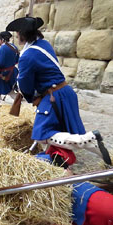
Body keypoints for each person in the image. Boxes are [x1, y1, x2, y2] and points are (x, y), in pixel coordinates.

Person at [6, 16, 112, 167]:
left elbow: (25, 84)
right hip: (63, 92)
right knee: (57, 130)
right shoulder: (43, 44)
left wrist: (28, 95)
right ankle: (59, 161)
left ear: (23, 34)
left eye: (18, 32)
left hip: (53, 97)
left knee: (41, 133)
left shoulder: (27, 56)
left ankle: (88, 140)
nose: (16, 35)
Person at [0, 31, 19, 105]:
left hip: (3, 74)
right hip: (12, 72)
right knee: (10, 90)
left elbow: (0, 63)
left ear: (2, 40)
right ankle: (19, 103)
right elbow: (17, 60)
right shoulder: (14, 47)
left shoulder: (3, 48)